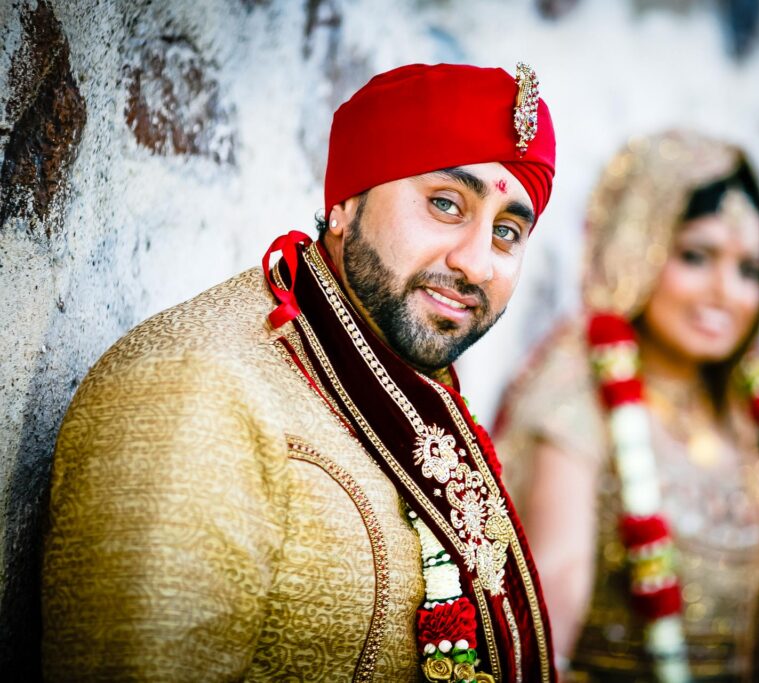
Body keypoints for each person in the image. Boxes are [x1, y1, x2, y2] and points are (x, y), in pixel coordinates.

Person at [42, 62, 556, 682]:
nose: (476, 263)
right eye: (446, 204)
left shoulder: (410, 380)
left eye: (507, 233)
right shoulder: (196, 388)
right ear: (344, 201)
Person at [494, 130, 759, 683]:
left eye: (750, 271)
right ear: (636, 247)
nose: (725, 291)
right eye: (697, 257)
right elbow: (551, 608)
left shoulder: (755, 409)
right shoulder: (577, 391)